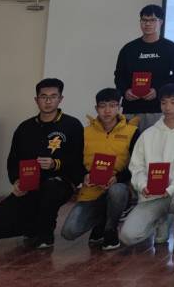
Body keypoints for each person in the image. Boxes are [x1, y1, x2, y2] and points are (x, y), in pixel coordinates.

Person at [0, 78, 84, 249]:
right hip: (30, 185)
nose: (48, 101)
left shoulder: (72, 125)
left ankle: (45, 234)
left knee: (50, 189)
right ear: (36, 100)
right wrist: (16, 181)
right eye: (43, 96)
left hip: (60, 183)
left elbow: (79, 161)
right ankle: (33, 227)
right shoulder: (25, 128)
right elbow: (13, 160)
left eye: (53, 96)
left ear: (60, 99)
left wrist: (55, 164)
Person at [120, 83, 174, 252]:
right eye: (164, 102)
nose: (168, 107)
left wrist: (172, 187)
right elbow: (136, 167)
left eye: (173, 102)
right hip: (152, 196)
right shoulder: (148, 134)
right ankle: (161, 220)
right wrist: (143, 185)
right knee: (128, 236)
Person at [59, 88, 138, 251]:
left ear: (119, 108)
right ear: (96, 108)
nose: (107, 111)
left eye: (112, 105)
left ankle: (111, 229)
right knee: (69, 232)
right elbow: (74, 162)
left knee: (117, 191)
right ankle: (101, 222)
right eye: (102, 106)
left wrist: (118, 178)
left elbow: (137, 164)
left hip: (119, 187)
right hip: (91, 191)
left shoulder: (132, 132)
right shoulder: (85, 132)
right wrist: (84, 176)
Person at [114, 4, 174, 132]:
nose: (147, 24)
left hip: (159, 109)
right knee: (131, 144)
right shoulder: (129, 48)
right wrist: (125, 91)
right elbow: (119, 75)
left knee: (157, 144)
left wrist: (159, 91)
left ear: (160, 22)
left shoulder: (170, 47)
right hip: (131, 109)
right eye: (144, 20)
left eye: (152, 20)